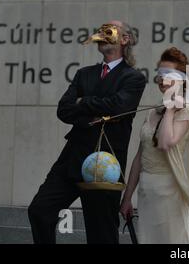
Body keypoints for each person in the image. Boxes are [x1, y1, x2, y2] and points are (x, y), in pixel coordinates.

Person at [28, 20, 146, 244]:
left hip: (105, 164)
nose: (102, 34)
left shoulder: (133, 78)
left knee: (101, 232)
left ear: (124, 39)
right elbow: (64, 109)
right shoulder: (84, 74)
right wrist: (93, 112)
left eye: (110, 30)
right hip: (72, 157)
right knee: (40, 210)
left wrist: (83, 101)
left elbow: (120, 107)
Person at [120, 47, 189, 244]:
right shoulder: (152, 112)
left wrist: (170, 111)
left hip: (169, 191)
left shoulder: (185, 112)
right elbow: (139, 157)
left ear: (181, 79)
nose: (162, 79)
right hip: (146, 191)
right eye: (159, 74)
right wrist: (127, 197)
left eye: (168, 74)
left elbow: (165, 142)